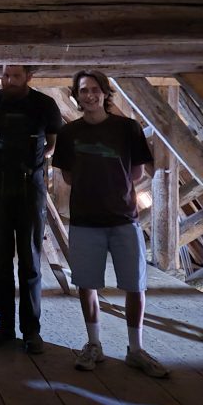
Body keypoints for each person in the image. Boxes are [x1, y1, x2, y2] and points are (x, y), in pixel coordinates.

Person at [52, 70, 169, 378]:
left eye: (95, 89)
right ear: (76, 96)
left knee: (135, 285)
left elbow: (137, 173)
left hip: (123, 219)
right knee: (86, 284)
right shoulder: (69, 133)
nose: (89, 95)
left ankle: (136, 350)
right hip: (85, 220)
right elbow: (67, 176)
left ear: (105, 93)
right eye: (83, 90)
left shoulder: (127, 128)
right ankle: (94, 345)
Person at [0, 65, 63, 353]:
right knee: (0, 261)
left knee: (30, 261)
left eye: (15, 75)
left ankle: (31, 331)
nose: (9, 80)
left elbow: (52, 143)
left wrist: (33, 161)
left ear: (28, 77)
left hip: (30, 187)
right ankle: (3, 326)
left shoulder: (44, 105)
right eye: (5, 75)